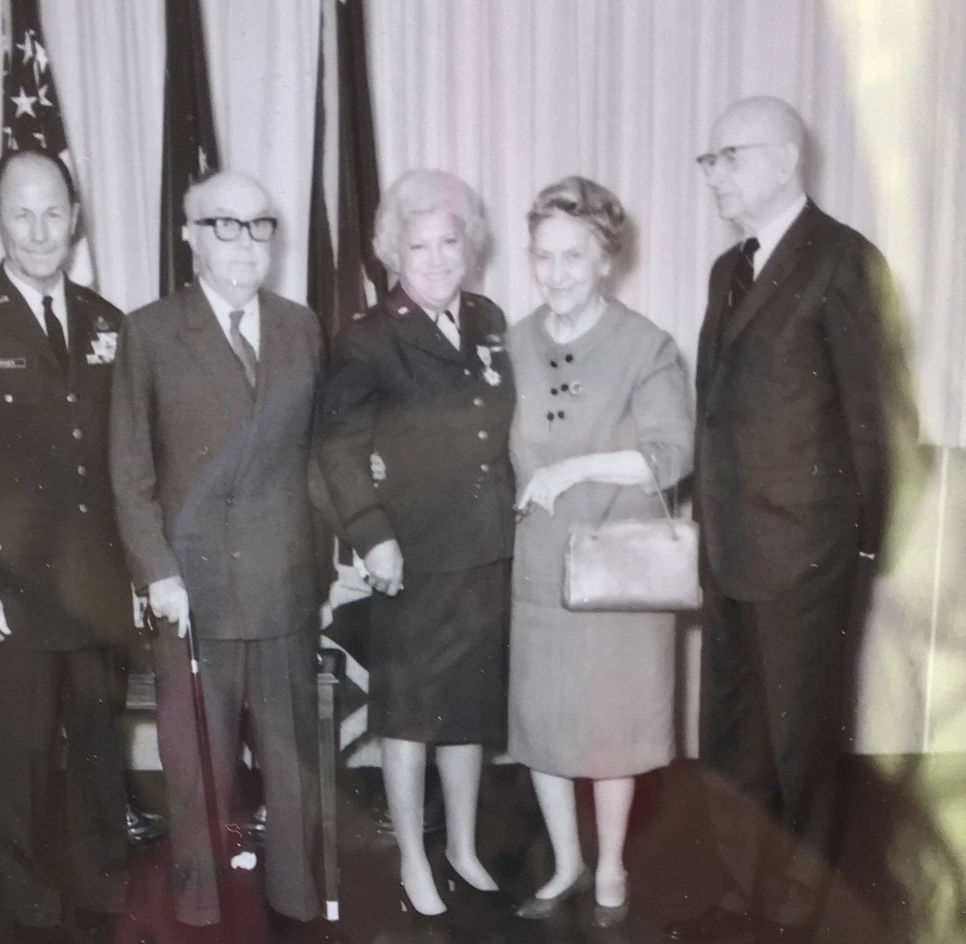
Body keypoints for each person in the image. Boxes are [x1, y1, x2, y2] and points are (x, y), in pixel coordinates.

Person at [666, 96, 903, 944]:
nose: (714, 175)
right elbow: (717, 411)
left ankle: (801, 911)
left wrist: (863, 546)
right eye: (710, 159)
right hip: (729, 549)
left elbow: (877, 423)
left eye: (726, 156)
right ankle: (738, 893)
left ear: (783, 160)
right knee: (730, 736)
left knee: (802, 742)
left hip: (808, 556)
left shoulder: (845, 262)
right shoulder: (728, 266)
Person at [0, 150, 130, 944]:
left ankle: (107, 894)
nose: (39, 231)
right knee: (24, 759)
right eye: (21, 213)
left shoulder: (109, 322)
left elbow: (123, 461)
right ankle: (35, 913)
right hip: (12, 592)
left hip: (98, 585)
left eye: (53, 213)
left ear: (75, 218)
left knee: (101, 751)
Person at [107, 170, 323, 934]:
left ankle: (296, 899)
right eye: (224, 226)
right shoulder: (150, 331)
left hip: (286, 580)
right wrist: (156, 572)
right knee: (198, 766)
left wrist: (341, 552)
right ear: (190, 235)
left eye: (258, 225)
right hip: (191, 591)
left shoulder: (301, 326)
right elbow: (130, 472)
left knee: (295, 763)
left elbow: (314, 456)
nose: (244, 243)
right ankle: (200, 905)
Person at [317, 168, 514, 918]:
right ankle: (411, 859)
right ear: (392, 253)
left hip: (487, 550)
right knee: (408, 714)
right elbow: (337, 451)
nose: (435, 257)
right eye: (418, 244)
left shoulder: (490, 318)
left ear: (471, 247)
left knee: (468, 711)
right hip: (412, 558)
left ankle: (461, 846)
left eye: (450, 241)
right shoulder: (368, 340)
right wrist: (373, 538)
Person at [505, 176, 692, 929]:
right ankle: (566, 861)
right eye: (542, 257)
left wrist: (573, 468)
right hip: (540, 568)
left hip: (617, 571)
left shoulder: (646, 346)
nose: (555, 274)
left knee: (611, 734)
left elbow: (671, 456)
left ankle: (610, 865)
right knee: (544, 728)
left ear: (606, 258)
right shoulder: (512, 341)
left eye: (573, 257)